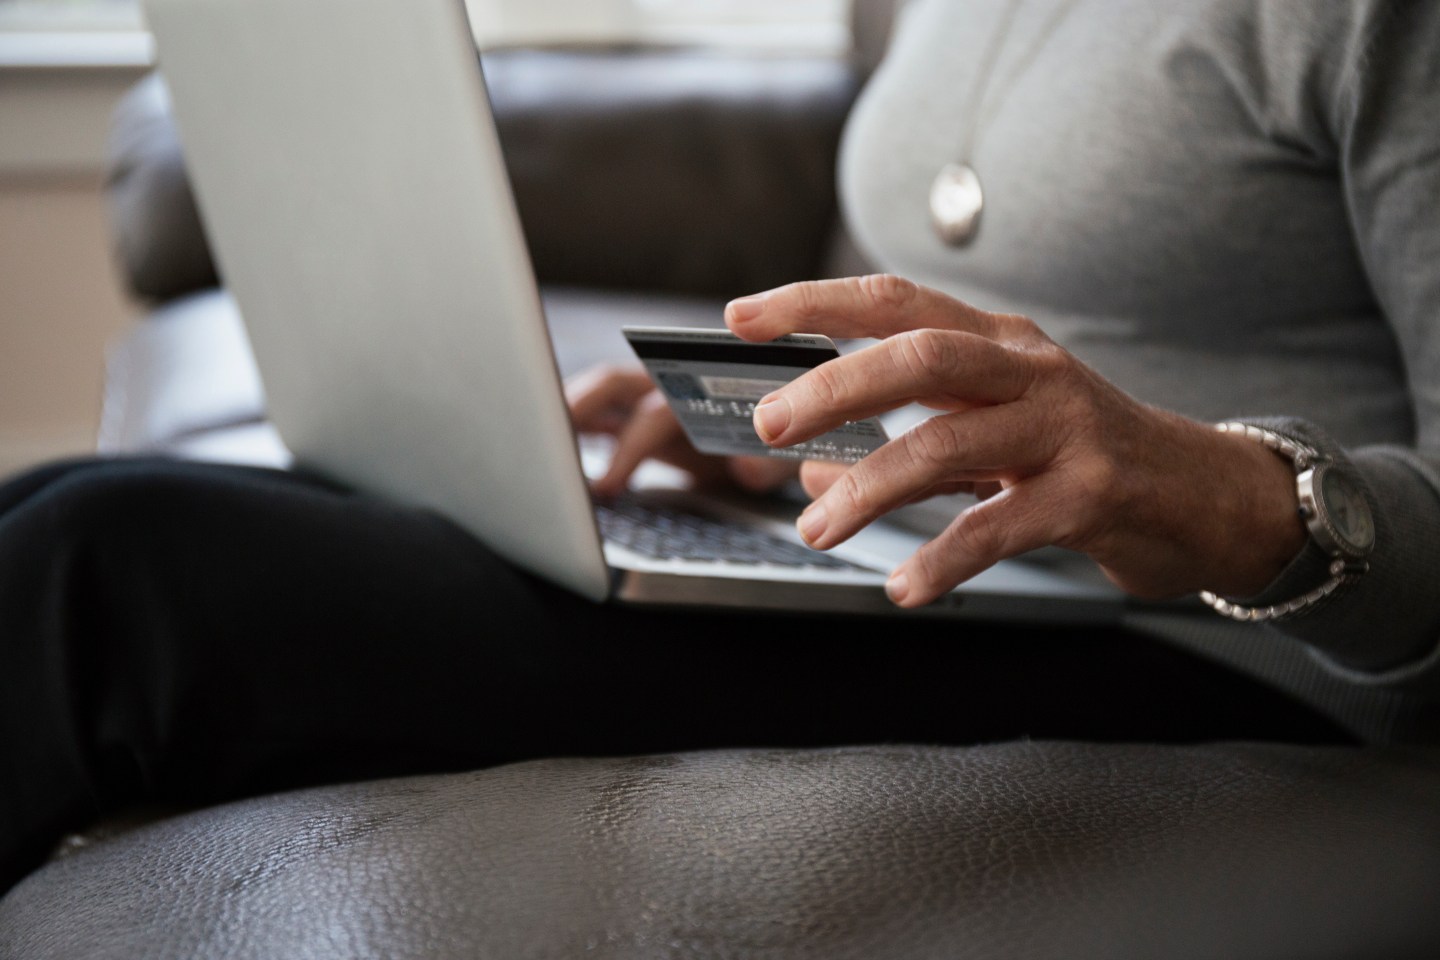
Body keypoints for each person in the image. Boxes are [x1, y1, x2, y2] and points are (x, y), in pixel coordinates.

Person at [2, 0, 1438, 894]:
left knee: (102, 571)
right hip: (908, 557)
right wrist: (787, 423)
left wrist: (1229, 496)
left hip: (1204, 648)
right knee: (53, 495)